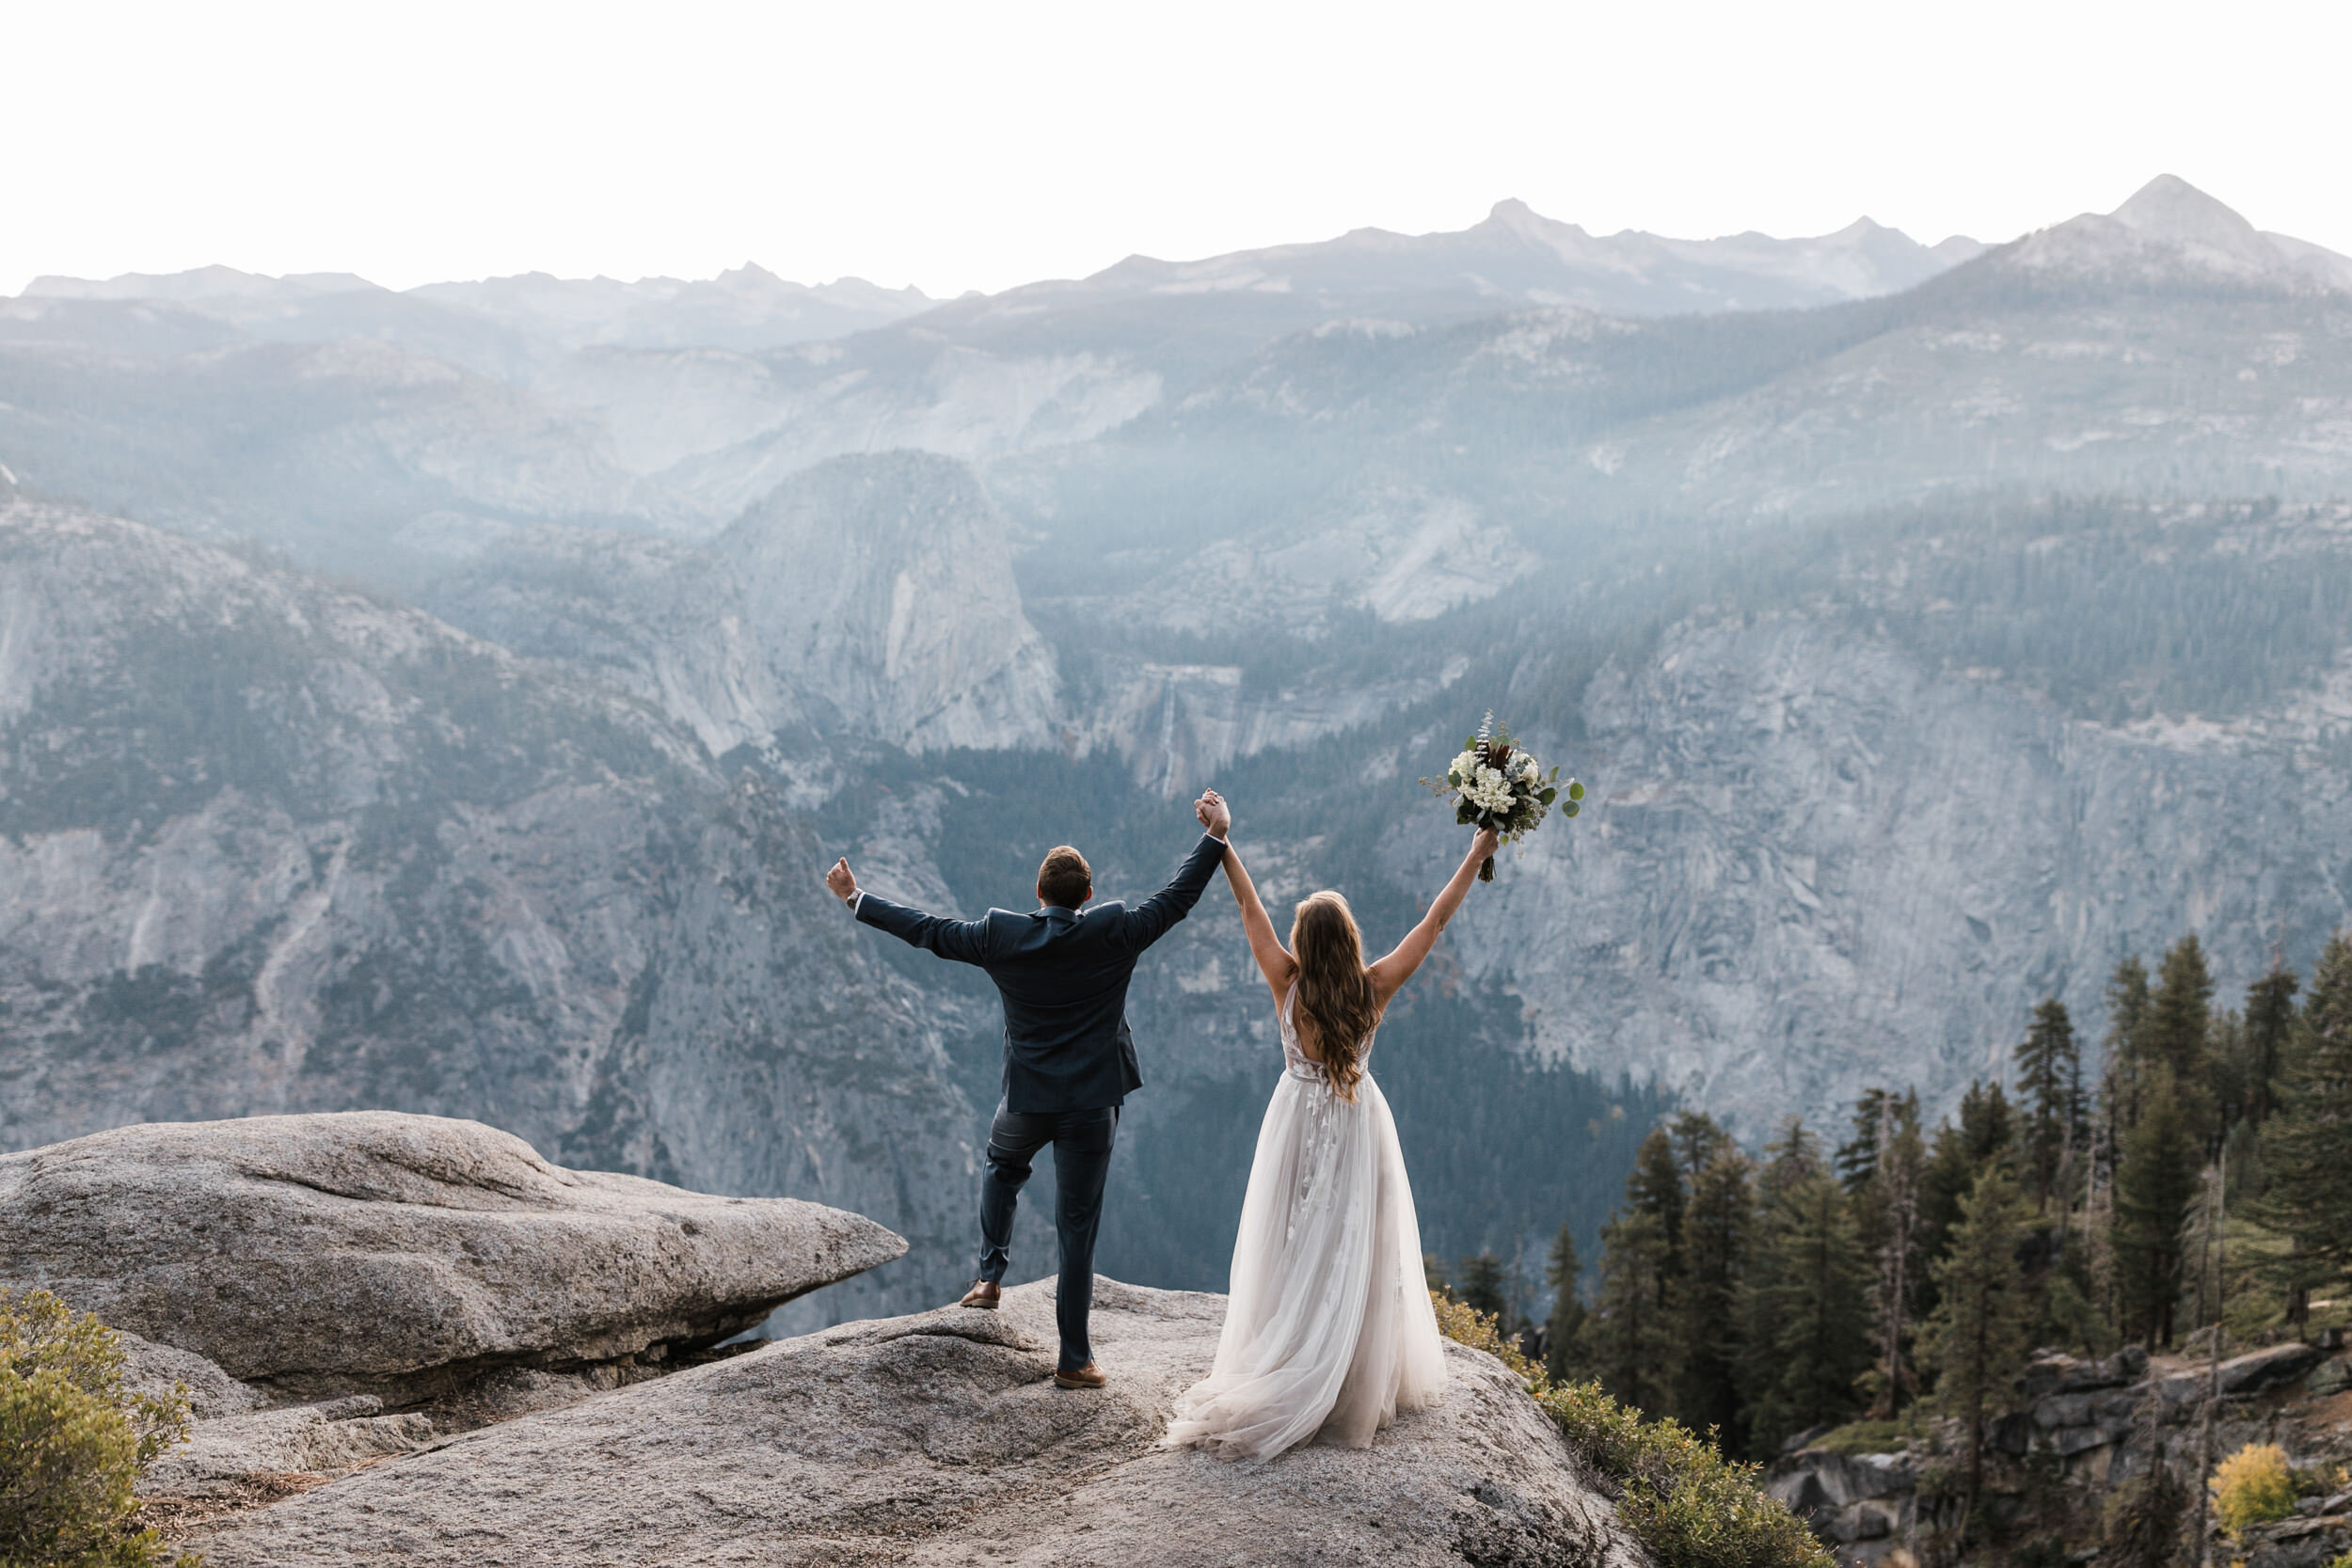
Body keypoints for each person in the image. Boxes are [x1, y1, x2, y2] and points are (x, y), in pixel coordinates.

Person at [824, 790, 1232, 1389]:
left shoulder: (1000, 936)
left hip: (1027, 1100)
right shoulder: (1115, 932)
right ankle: (1074, 1360)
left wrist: (855, 898)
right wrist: (1215, 835)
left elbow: (928, 931)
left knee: (1001, 1164)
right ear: (1087, 897)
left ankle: (989, 1275)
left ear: (1037, 896)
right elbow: (1177, 899)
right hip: (1092, 1106)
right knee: (1077, 1230)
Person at [1164, 791, 1498, 1457]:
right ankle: (1345, 1367)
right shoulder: (1373, 988)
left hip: (1294, 1118)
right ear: (1349, 941)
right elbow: (1432, 924)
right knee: (1355, 1241)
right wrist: (1475, 854)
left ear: (1302, 943)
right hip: (1355, 1121)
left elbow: (1248, 908)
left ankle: (1283, 1351)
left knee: (1288, 1236)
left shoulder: (1285, 983)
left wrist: (1221, 840)